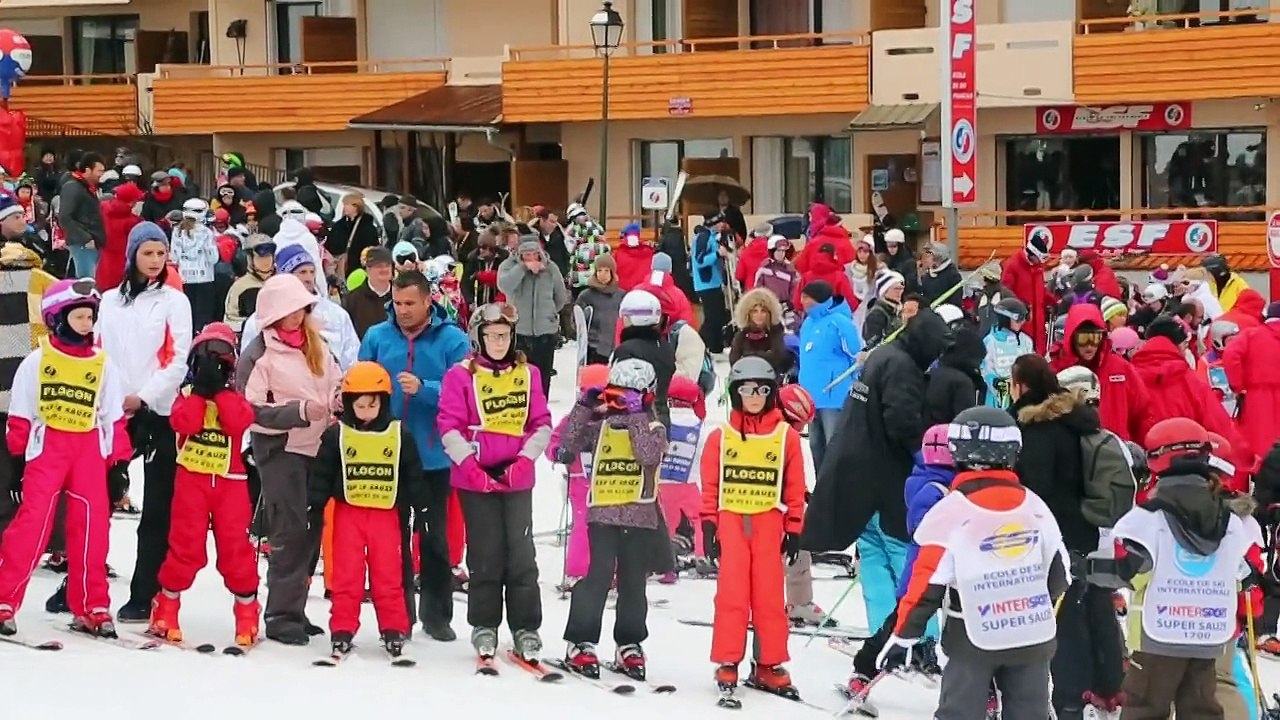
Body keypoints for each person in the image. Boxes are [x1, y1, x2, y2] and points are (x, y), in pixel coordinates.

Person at [880, 407, 1070, 720]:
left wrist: (905, 635)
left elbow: (926, 582)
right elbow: (1059, 573)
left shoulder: (950, 511)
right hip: (1032, 634)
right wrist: (1030, 605)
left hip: (973, 636)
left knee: (961, 712)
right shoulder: (1035, 507)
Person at [1096, 417, 1261, 719]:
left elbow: (1131, 571)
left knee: (1145, 706)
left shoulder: (1148, 517)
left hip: (1161, 632)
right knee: (1201, 708)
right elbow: (1243, 573)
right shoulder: (1231, 520)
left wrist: (1087, 568)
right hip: (1209, 633)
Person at [804, 310, 950, 636]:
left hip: (853, 466)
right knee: (901, 551)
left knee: (872, 553)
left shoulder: (883, 354)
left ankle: (881, 631)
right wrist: (928, 460)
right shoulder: (903, 367)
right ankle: (917, 634)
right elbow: (902, 421)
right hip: (885, 475)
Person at [0, 279, 130, 638]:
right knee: (33, 525)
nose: (87, 324)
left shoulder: (103, 364)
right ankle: (4, 600)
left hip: (88, 449)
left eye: (91, 317)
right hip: (48, 449)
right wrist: (15, 465)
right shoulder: (38, 359)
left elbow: (112, 417)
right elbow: (22, 413)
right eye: (80, 317)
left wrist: (118, 464)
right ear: (59, 318)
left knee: (91, 528)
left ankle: (92, 605)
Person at [1008, 356, 1126, 717]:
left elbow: (1038, 490)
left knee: (1065, 623)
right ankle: (1107, 687)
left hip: (1053, 538)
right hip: (1087, 530)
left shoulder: (1036, 429)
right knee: (1093, 607)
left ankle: (1070, 701)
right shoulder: (1075, 421)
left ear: (1021, 385)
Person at [359, 270, 470, 641]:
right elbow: (357, 385)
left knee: (434, 539)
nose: (402, 310)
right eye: (397, 303)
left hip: (435, 457)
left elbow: (465, 393)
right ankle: (398, 615)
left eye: (410, 303)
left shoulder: (452, 339)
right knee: (392, 541)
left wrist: (425, 389)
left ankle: (437, 616)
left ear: (427, 301)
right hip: (386, 456)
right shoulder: (377, 336)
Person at [439, 303, 552, 663]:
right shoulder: (460, 376)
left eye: (504, 336)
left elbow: (541, 422)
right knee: (486, 554)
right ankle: (484, 624)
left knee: (521, 555)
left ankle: (526, 627)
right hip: (476, 479)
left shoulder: (529, 373)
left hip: (516, 477)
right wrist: (471, 468)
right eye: (492, 336)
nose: (499, 342)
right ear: (478, 337)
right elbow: (449, 425)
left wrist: (524, 461)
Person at [236, 273, 341, 644]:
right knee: (289, 532)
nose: (296, 317)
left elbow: (335, 378)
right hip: (280, 449)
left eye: (301, 309)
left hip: (319, 445)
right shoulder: (258, 353)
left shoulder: (319, 343)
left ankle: (294, 608)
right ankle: (281, 615)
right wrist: (298, 412)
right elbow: (248, 409)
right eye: (289, 310)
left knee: (310, 531)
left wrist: (339, 399)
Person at [97, 222, 193, 623]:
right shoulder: (108, 301)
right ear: (133, 253)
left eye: (160, 253)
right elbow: (98, 349)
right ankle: (83, 583)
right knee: (95, 498)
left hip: (158, 411)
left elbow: (178, 357)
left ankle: (144, 592)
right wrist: (114, 398)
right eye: (148, 253)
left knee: (156, 507)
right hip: (113, 411)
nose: (155, 261)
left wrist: (145, 397)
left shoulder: (174, 301)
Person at [554, 358, 670, 679]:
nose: (621, 402)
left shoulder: (654, 428)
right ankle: (580, 640)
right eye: (618, 394)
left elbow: (646, 454)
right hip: (602, 515)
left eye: (631, 395)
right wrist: (585, 406)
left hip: (640, 516)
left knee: (633, 583)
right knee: (596, 578)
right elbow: (567, 446)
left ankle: (630, 643)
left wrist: (635, 416)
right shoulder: (600, 425)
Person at [700, 357, 807, 702]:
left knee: (769, 597)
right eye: (747, 390)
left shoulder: (785, 436)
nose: (755, 397)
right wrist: (708, 525)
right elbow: (710, 485)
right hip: (732, 522)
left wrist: (794, 527)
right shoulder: (722, 437)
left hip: (768, 522)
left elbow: (795, 486)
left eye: (762, 390)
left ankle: (769, 662)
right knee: (732, 596)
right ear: (736, 393)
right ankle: (728, 658)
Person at [147, 322, 259, 648]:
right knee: (185, 545)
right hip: (192, 483)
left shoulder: (236, 397)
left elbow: (239, 422)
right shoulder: (184, 397)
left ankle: (247, 608)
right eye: (205, 360)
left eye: (219, 360)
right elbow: (186, 423)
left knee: (235, 548)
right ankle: (166, 605)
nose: (212, 366)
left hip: (231, 484)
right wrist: (199, 391)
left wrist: (220, 391)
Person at [308, 361, 425, 660]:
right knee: (347, 576)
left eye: (372, 405)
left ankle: (394, 629)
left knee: (388, 575)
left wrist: (421, 507)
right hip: (348, 513)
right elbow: (321, 473)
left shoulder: (400, 435)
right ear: (349, 404)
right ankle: (342, 629)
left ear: (383, 402)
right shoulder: (337, 435)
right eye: (359, 406)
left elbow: (413, 473)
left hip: (386, 515)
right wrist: (315, 505)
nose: (365, 412)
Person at [846, 424, 952, 698]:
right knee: (900, 624)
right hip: (925, 573)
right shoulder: (932, 486)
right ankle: (865, 668)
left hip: (937, 572)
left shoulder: (935, 480)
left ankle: (980, 686)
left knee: (964, 630)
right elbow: (923, 529)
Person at [1131, 316, 1253, 472]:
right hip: (1187, 468)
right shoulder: (1190, 380)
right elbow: (1219, 427)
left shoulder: (1130, 376)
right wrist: (1246, 461)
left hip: (1143, 469)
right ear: (1178, 344)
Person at [241, 244, 359, 370]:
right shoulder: (261, 318)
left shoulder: (336, 314)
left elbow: (352, 357)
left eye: (312, 272)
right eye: (302, 272)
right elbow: (247, 364)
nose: (309, 278)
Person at [1050, 303, 1152, 442]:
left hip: (1114, 451)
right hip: (1073, 450)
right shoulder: (1058, 370)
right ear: (1071, 338)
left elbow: (1142, 412)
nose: (1090, 345)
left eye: (1095, 338)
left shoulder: (1120, 368)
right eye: (1083, 339)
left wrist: (1139, 450)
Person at [795, 280, 861, 471]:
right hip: (811, 397)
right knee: (816, 446)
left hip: (834, 395)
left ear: (819, 298)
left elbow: (856, 355)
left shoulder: (840, 321)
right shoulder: (807, 323)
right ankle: (820, 490)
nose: (803, 301)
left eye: (807, 297)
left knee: (834, 446)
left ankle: (837, 489)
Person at [497, 236, 566, 397]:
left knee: (542, 379)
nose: (530, 258)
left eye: (533, 254)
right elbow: (504, 285)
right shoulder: (508, 266)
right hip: (519, 332)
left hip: (545, 333)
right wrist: (522, 269)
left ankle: (541, 412)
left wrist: (549, 313)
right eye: (526, 255)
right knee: (518, 378)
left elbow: (560, 297)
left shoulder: (551, 269)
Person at [1222, 308, 1280, 460]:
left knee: (1261, 441)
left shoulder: (1251, 335)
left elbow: (1230, 354)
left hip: (1258, 395)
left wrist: (1238, 385)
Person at [612, 289, 677, 425]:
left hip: (635, 424)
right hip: (662, 418)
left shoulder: (626, 350)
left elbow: (619, 394)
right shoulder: (664, 345)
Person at [170, 198, 220, 331]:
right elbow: (213, 258)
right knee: (203, 317)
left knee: (187, 315)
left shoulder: (176, 231)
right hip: (205, 278)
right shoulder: (207, 233)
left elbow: (174, 257)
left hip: (184, 278)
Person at [1001, 233, 1055, 354]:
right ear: (1032, 254)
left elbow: (1041, 291)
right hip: (1022, 321)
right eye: (1039, 259)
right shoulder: (1013, 266)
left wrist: (1055, 301)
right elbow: (1005, 292)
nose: (1040, 262)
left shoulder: (1037, 267)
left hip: (1038, 321)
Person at [60, 152, 107, 280]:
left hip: (92, 240)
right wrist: (85, 238)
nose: (102, 175)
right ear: (87, 170)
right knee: (86, 281)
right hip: (83, 243)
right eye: (99, 171)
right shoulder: (73, 187)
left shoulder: (86, 187)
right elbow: (65, 217)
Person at [729, 288, 793, 377]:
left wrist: (748, 357)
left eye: (763, 311)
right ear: (747, 313)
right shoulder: (741, 335)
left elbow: (779, 358)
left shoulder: (776, 331)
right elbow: (734, 362)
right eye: (754, 311)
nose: (759, 315)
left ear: (770, 313)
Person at [575, 254, 623, 365]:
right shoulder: (586, 296)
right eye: (599, 270)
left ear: (612, 272)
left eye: (606, 271)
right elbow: (577, 322)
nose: (603, 275)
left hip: (615, 348)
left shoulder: (621, 295)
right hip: (594, 348)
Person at [97, 182, 144, 292]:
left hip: (104, 262)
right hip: (124, 264)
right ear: (132, 202)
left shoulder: (103, 208)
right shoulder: (133, 222)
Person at [690, 222, 729, 354]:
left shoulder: (712, 236)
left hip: (714, 282)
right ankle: (699, 344)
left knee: (718, 317)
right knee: (713, 318)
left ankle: (716, 347)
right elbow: (700, 261)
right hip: (706, 284)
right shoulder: (703, 237)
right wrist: (717, 254)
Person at [225, 234, 275, 333]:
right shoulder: (240, 287)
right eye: (260, 258)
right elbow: (230, 321)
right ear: (250, 259)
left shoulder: (281, 283)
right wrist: (250, 325)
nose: (265, 262)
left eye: (268, 257)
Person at [342, 247, 394, 340]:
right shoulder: (352, 299)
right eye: (379, 266)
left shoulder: (401, 295)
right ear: (367, 269)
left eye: (387, 265)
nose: (384, 269)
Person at [331, 194, 380, 278]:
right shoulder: (340, 225)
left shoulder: (367, 227)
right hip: (343, 267)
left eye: (347, 204)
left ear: (356, 207)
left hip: (359, 268)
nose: (344, 207)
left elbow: (373, 249)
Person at [862, 270, 905, 349]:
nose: (900, 292)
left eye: (901, 288)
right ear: (885, 290)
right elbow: (872, 344)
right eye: (896, 289)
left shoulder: (899, 310)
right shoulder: (876, 314)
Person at [919, 242, 962, 307]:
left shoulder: (953, 275)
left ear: (938, 257)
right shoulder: (926, 276)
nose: (926, 259)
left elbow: (956, 301)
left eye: (929, 256)